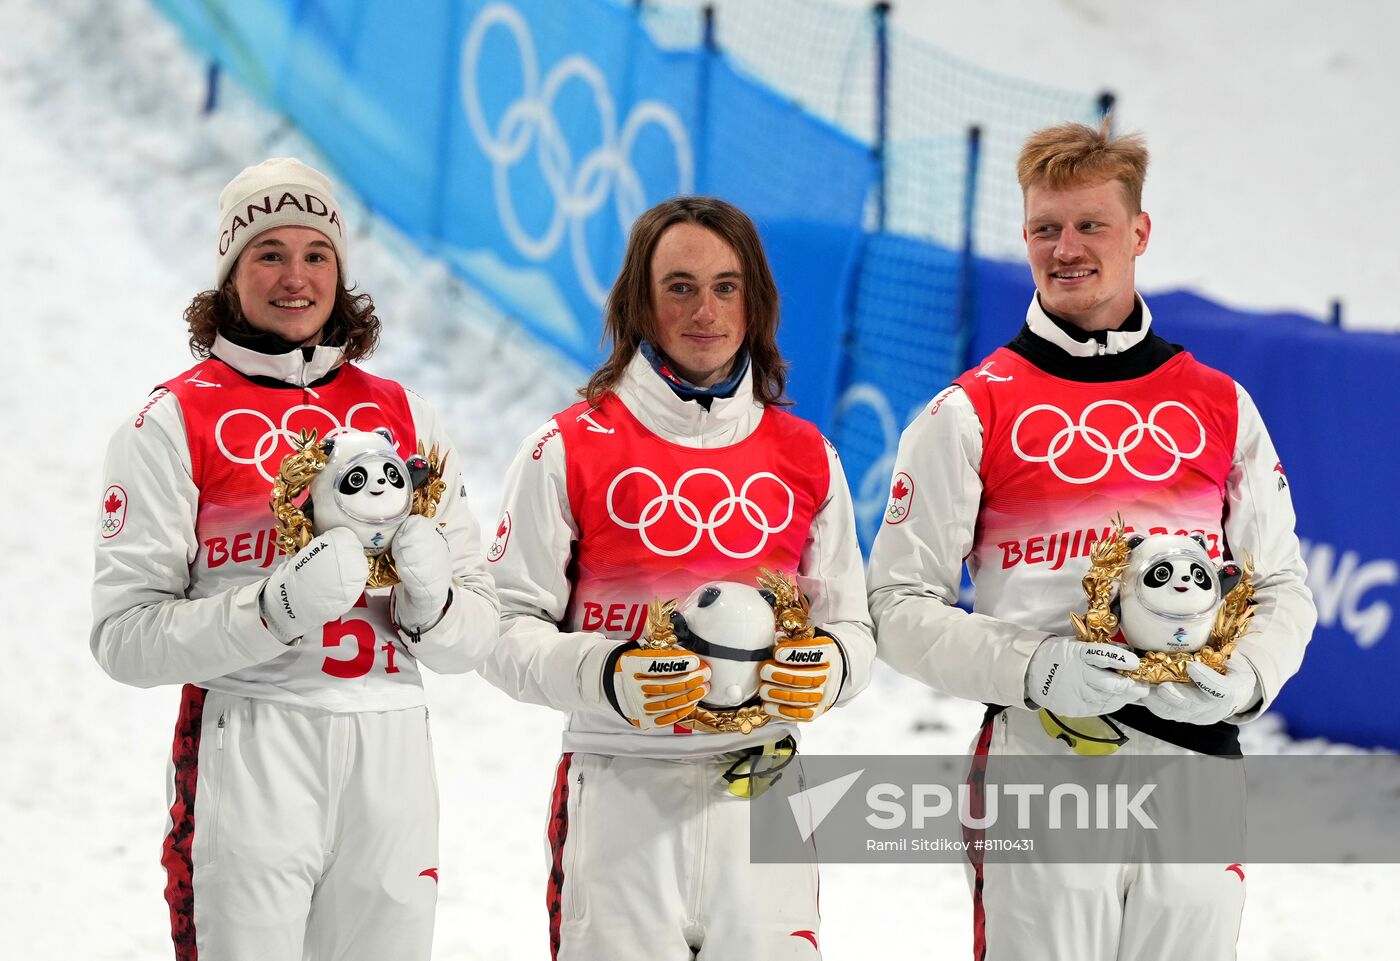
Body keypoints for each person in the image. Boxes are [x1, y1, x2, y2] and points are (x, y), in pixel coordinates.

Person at [867, 121, 1315, 961]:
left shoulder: (1221, 404)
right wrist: (1035, 669)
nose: (1065, 248)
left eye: (1090, 226)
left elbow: (1282, 586)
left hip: (1196, 766)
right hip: (1043, 766)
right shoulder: (969, 409)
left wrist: (1247, 678)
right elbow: (895, 605)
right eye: (1045, 228)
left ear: (1138, 232)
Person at [90, 158, 499, 960]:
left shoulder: (401, 414)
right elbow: (123, 637)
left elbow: (478, 631)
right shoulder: (174, 418)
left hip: (391, 754)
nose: (295, 277)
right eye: (268, 253)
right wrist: (271, 609)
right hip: (250, 744)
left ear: (341, 274)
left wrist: (433, 603)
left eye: (317, 255)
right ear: (229, 271)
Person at [482, 196, 875, 960]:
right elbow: (500, 631)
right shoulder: (568, 447)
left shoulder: (806, 454)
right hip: (622, 789)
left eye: (727, 287)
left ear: (754, 302)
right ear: (639, 300)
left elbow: (853, 629)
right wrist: (609, 673)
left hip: (765, 790)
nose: (706, 311)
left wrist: (828, 669)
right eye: (681, 286)